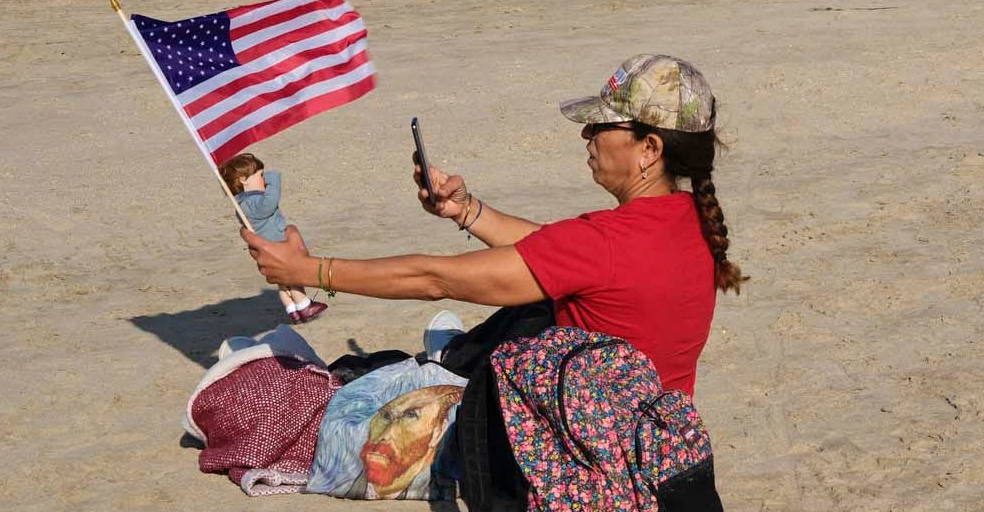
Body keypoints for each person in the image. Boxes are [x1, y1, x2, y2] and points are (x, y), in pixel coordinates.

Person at [242, 54, 744, 396]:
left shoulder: (605, 243)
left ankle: (444, 362)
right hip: (655, 436)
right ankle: (448, 356)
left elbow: (435, 279)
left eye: (601, 126)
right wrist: (466, 210)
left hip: (589, 445)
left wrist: (308, 270)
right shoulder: (690, 219)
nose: (587, 135)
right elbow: (555, 254)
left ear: (649, 149)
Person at [220, 152, 327, 324]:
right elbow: (269, 204)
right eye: (260, 175)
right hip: (276, 243)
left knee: (282, 282)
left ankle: (292, 309)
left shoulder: (244, 203)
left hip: (268, 244)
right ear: (242, 180)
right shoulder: (251, 201)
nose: (264, 179)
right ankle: (304, 304)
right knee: (292, 276)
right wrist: (273, 179)